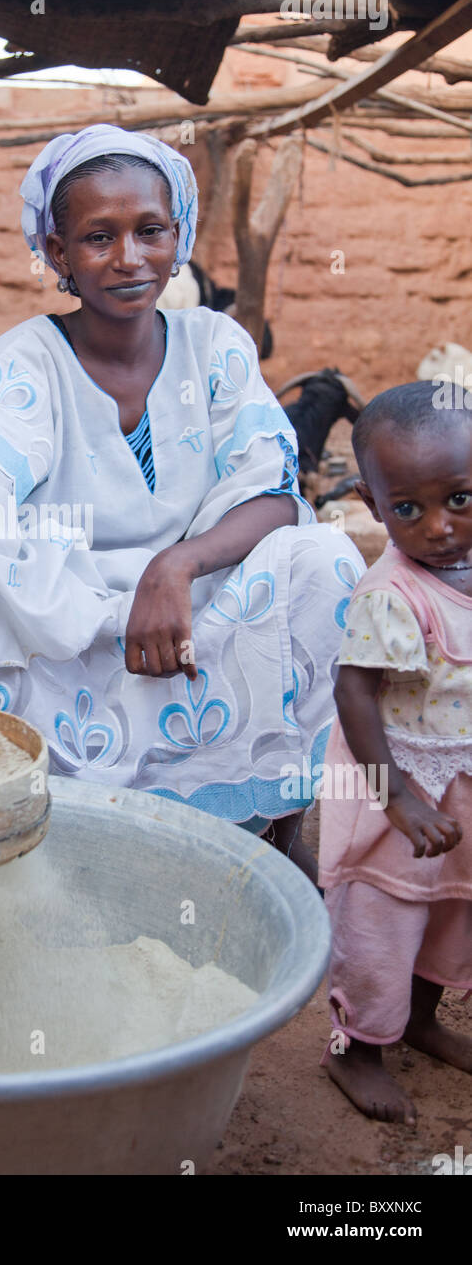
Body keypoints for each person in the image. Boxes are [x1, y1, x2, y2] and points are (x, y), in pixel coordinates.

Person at [0, 123, 363, 868]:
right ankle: (32, 830)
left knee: (324, 557)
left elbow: (271, 489)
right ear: (58, 255)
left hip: (197, 609)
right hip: (77, 622)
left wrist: (176, 567)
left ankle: (273, 833)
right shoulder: (27, 359)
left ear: (178, 233)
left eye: (150, 230)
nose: (130, 259)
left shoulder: (216, 345)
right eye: (99, 238)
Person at [318, 381, 472, 1126]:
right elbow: (354, 697)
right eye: (407, 508)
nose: (439, 527)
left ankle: (418, 1019)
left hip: (461, 780)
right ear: (373, 506)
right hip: (395, 784)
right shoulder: (392, 594)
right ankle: (357, 1048)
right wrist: (400, 797)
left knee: (449, 908)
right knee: (382, 921)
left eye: (461, 499)